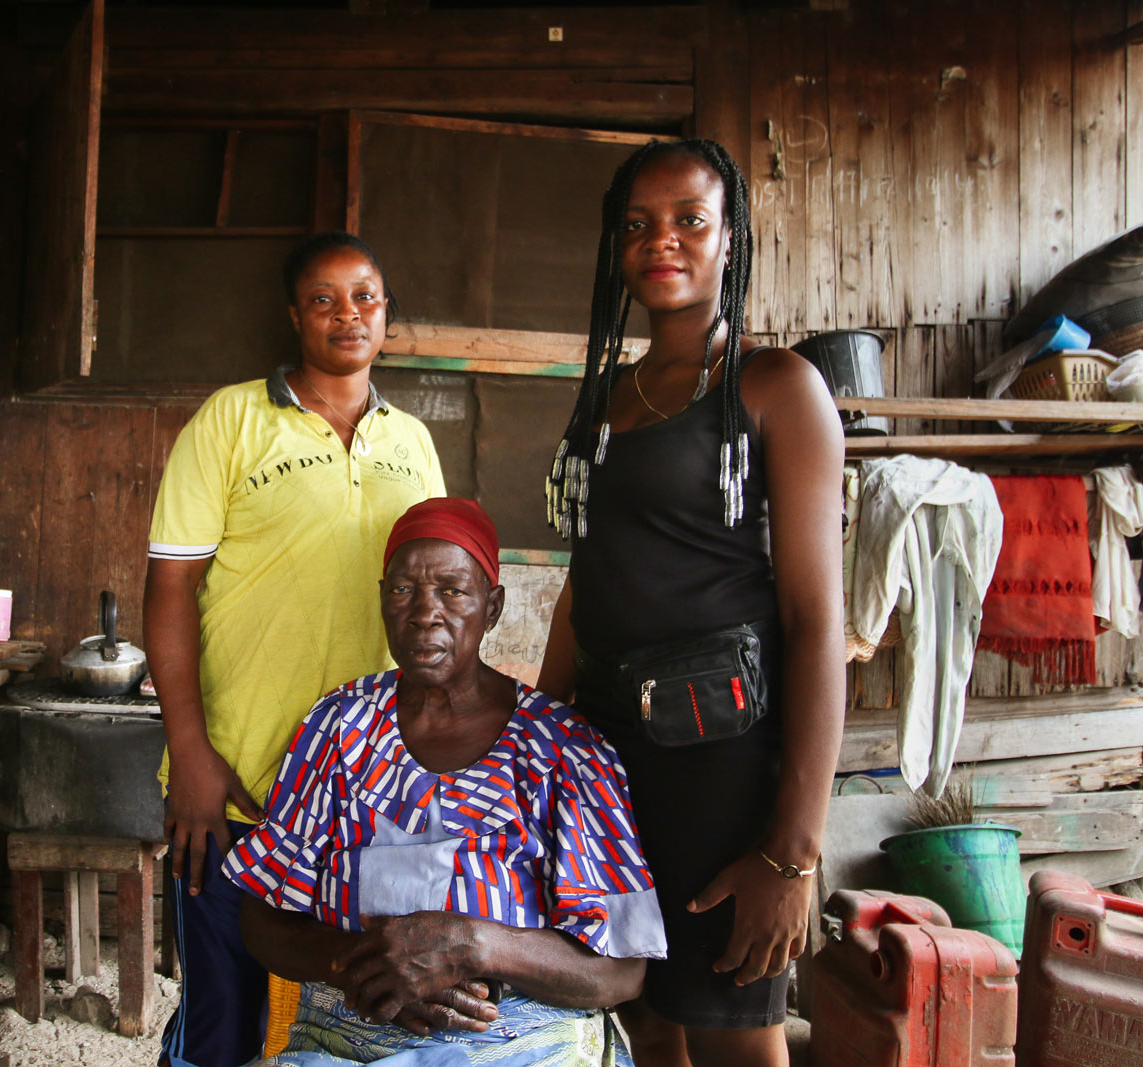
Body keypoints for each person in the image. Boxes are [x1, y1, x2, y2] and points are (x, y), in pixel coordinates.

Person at [536, 139, 845, 1067]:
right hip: (607, 762)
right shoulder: (602, 398)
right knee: (644, 1020)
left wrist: (790, 849)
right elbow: (580, 590)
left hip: (723, 766)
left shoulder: (776, 386)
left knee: (734, 1035)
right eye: (637, 224)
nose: (659, 240)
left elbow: (816, 623)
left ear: (730, 240)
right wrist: (539, 745)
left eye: (688, 221)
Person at [224, 497, 666, 1067]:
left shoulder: (562, 749)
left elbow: (624, 971)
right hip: (349, 1038)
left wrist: (474, 944)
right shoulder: (337, 726)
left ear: (493, 606)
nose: (424, 612)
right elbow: (262, 918)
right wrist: (373, 967)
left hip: (522, 1047)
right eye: (403, 589)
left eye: (453, 591)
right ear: (383, 599)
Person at [145, 232, 446, 1067]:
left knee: (346, 1015)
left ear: (386, 314)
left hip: (362, 794)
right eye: (324, 298)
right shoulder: (232, 420)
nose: (347, 313)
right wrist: (189, 750)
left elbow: (437, 601)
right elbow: (168, 593)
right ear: (294, 316)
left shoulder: (412, 442)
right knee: (224, 1023)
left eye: (365, 296)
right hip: (236, 787)